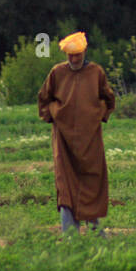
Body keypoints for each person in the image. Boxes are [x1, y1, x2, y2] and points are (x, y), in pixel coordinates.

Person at [37, 30, 116, 235]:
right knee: (66, 185)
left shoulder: (96, 73)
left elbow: (108, 99)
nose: (74, 59)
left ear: (84, 53)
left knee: (92, 183)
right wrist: (54, 115)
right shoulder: (57, 73)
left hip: (91, 141)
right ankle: (70, 236)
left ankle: (95, 233)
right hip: (63, 141)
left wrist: (96, 115)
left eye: (77, 55)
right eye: (70, 55)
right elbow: (44, 99)